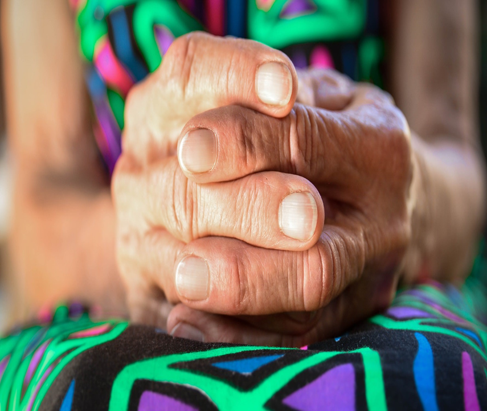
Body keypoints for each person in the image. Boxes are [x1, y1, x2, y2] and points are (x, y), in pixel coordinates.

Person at [0, 0, 486, 409]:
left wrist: (405, 194)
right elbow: (40, 205)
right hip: (123, 299)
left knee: (437, 381)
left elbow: (458, 169)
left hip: (388, 284)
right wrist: (139, 239)